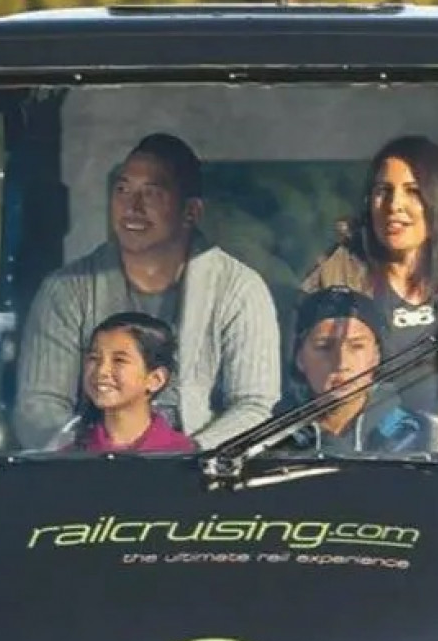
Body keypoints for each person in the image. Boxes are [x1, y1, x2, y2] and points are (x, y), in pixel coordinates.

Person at [15, 132, 280, 451]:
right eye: (123, 190)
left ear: (191, 212)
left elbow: (255, 407)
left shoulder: (240, 289)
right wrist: (85, 453)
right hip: (89, 474)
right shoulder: (66, 290)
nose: (132, 206)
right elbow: (38, 404)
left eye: (151, 194)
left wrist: (189, 456)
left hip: (204, 479)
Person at [302, 135, 438, 459]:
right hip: (361, 465)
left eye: (413, 191)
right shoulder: (334, 280)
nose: (394, 205)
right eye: (383, 191)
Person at [278, 286, 438, 455]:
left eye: (356, 346)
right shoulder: (270, 438)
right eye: (324, 346)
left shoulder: (423, 433)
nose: (341, 362)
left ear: (376, 356)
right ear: (299, 358)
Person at [70, 312, 197, 453]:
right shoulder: (71, 455)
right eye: (94, 358)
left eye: (119, 360)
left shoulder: (181, 455)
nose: (101, 371)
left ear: (156, 379)